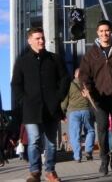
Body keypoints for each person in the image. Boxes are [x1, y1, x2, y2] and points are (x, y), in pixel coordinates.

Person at [11, 28, 69, 182]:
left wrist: (58, 97)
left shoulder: (54, 59)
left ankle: (50, 171)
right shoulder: (22, 62)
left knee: (50, 142)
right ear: (29, 41)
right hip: (31, 108)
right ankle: (35, 172)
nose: (41, 41)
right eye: (37, 38)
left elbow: (64, 78)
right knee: (34, 139)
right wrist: (23, 100)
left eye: (42, 38)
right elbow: (16, 84)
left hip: (51, 107)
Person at [79, 20, 112, 176]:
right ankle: (104, 162)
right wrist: (88, 90)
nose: (104, 34)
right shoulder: (91, 54)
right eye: (101, 31)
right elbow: (84, 75)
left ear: (111, 32)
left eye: (107, 31)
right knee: (102, 130)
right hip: (99, 100)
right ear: (97, 33)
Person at [61, 68, 95, 163]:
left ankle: (77, 156)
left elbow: (65, 100)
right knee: (90, 130)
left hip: (73, 112)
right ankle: (88, 151)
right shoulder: (87, 84)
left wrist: (62, 113)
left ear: (75, 75)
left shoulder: (70, 85)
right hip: (86, 111)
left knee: (74, 134)